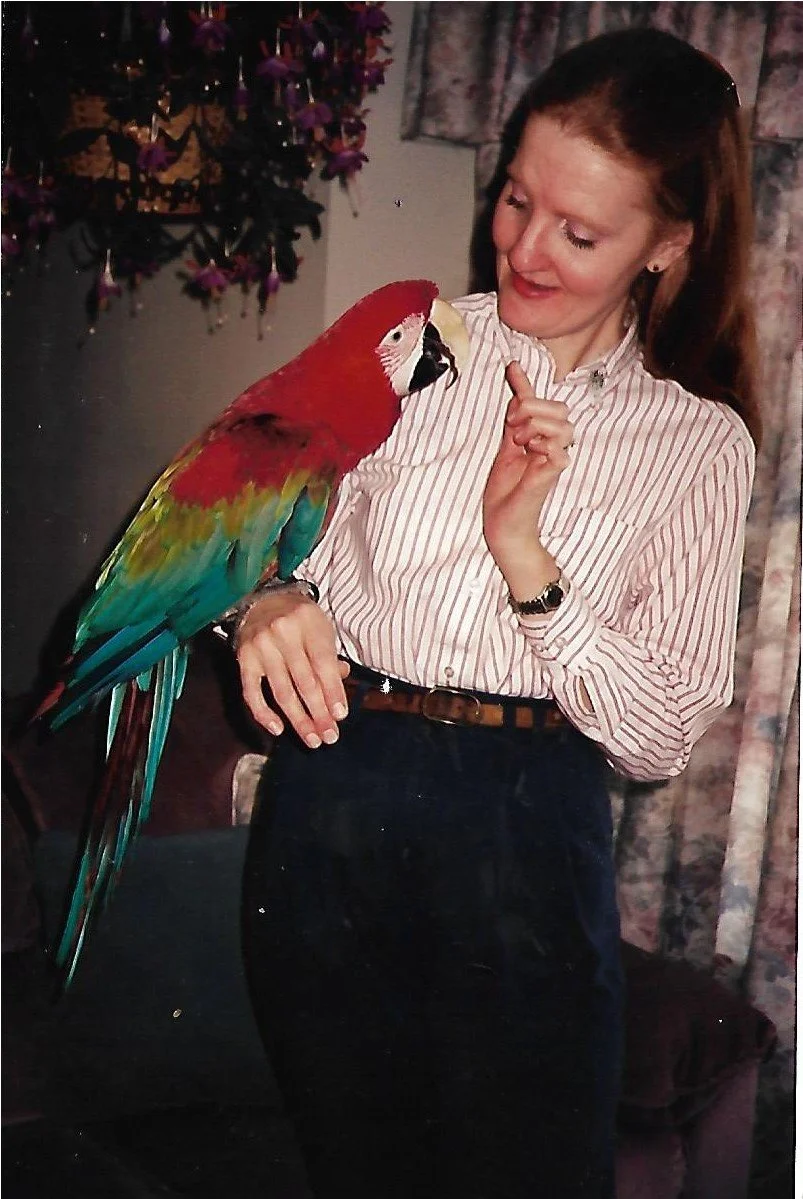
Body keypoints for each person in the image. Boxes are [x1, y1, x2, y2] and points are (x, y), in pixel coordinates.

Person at [232, 27, 758, 1199]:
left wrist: (526, 560)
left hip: (524, 825)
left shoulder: (696, 443)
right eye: (516, 199)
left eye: (578, 232)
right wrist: (268, 598)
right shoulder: (403, 348)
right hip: (335, 794)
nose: (521, 248)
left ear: (667, 244)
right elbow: (263, 544)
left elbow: (657, 734)